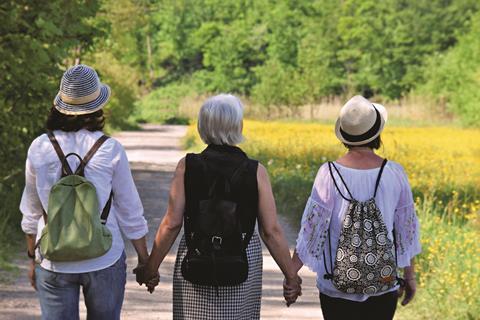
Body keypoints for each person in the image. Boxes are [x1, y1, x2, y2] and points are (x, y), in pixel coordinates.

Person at [136, 94, 302, 319]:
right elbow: (270, 231)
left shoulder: (187, 166)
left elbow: (172, 223)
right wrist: (291, 276)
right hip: (242, 258)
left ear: (203, 126)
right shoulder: (256, 171)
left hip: (197, 254)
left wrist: (151, 268)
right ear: (238, 125)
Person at [20, 64, 153, 320]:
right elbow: (130, 210)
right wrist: (145, 260)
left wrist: (31, 259)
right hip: (104, 256)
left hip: (54, 258)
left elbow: (31, 209)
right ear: (97, 106)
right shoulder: (110, 149)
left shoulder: (39, 147)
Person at [292, 95, 421, 320]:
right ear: (377, 134)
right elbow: (405, 232)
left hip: (335, 285)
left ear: (344, 136)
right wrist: (409, 276)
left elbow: (312, 231)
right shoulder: (394, 173)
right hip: (383, 282)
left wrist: (291, 274)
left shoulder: (328, 173)